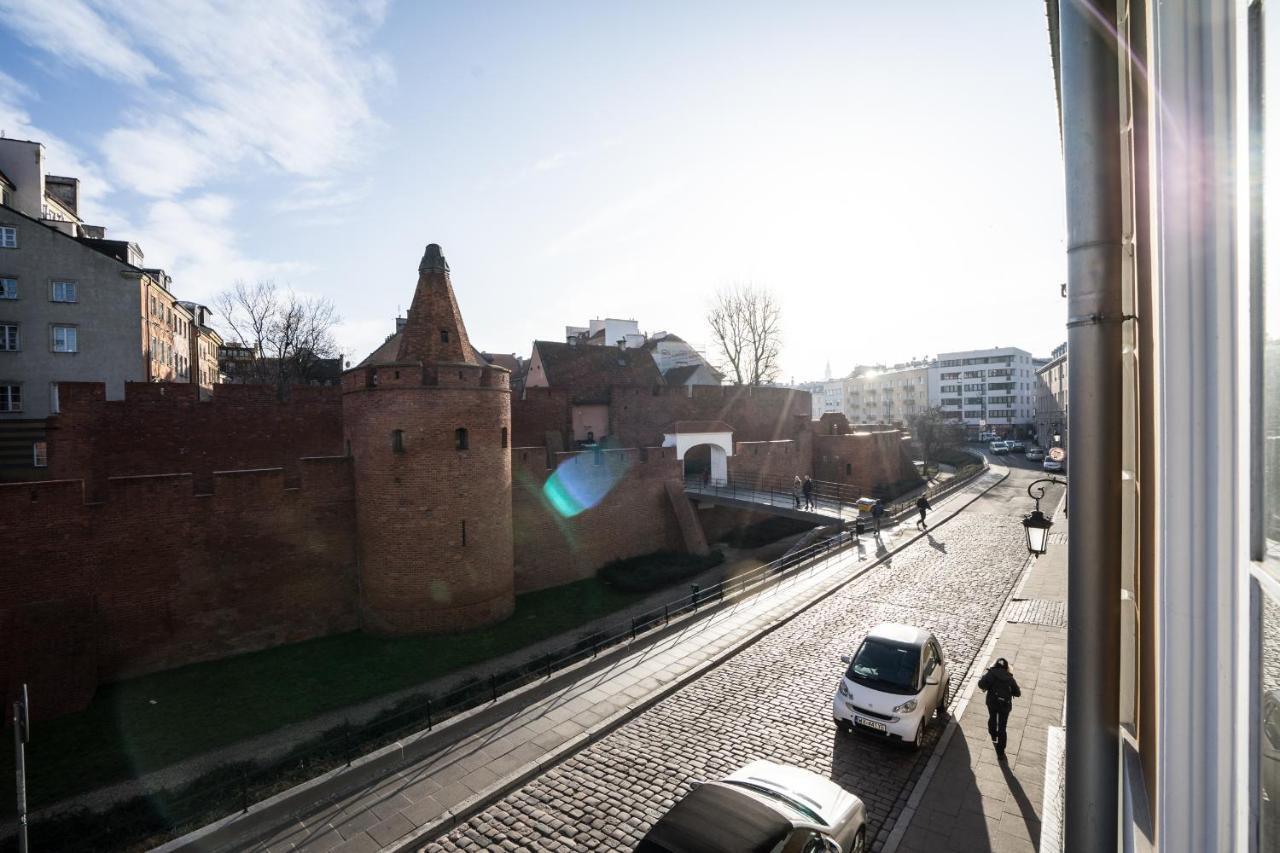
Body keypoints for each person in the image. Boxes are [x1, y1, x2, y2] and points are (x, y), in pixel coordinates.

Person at [977, 657, 1021, 760]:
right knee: (1002, 726)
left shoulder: (991, 674)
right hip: (1005, 705)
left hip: (992, 702)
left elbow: (981, 684)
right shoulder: (1010, 678)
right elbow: (1018, 693)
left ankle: (993, 734)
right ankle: (1000, 752)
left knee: (992, 717)